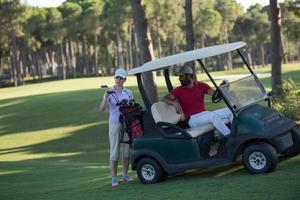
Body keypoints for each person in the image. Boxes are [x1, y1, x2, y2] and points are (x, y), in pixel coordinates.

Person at [163, 66, 233, 155]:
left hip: (204, 114)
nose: (179, 79)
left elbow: (215, 94)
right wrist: (174, 103)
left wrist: (223, 89)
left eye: (182, 76)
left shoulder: (201, 85)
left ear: (190, 76)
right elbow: (164, 99)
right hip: (193, 119)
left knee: (230, 110)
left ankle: (237, 132)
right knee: (212, 116)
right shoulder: (178, 90)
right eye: (179, 77)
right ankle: (229, 136)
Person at [100, 68, 134, 187]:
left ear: (125, 79)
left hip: (126, 123)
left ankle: (125, 175)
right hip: (114, 123)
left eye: (121, 78)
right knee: (114, 150)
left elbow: (132, 106)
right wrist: (105, 97)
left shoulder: (128, 92)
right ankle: (114, 177)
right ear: (115, 78)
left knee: (126, 150)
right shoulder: (109, 92)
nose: (119, 80)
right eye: (117, 78)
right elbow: (102, 109)